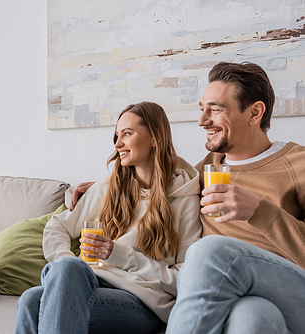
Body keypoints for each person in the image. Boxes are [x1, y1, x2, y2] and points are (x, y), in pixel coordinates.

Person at [72, 62, 305, 333]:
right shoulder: (202, 170)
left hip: (290, 287)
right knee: (253, 317)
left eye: (215, 110)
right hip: (239, 295)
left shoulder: (297, 164)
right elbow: (156, 178)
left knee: (209, 250)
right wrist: (109, 185)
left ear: (255, 112)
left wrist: (259, 211)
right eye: (202, 109)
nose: (202, 120)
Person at [14, 102, 202, 334]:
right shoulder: (109, 187)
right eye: (116, 135)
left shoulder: (185, 198)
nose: (117, 143)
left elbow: (182, 281)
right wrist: (64, 263)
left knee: (33, 301)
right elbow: (58, 226)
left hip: (142, 300)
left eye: (127, 134)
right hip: (91, 281)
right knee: (40, 290)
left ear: (155, 137)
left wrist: (120, 255)